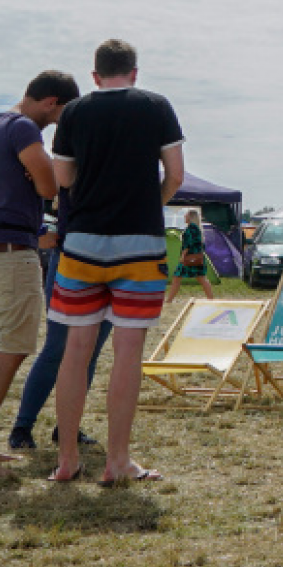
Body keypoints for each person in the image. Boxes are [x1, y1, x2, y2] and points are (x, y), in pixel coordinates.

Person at [49, 40, 184, 486]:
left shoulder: (74, 113)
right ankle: (118, 460)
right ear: (134, 71)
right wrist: (150, 202)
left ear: (94, 76)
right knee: (127, 355)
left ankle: (67, 459)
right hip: (139, 245)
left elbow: (63, 178)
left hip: (83, 243)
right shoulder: (156, 106)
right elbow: (176, 174)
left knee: (75, 351)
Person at [0, 70, 79, 478]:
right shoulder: (25, 128)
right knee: (15, 346)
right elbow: (49, 187)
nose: (56, 123)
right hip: (10, 254)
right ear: (49, 101)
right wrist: (42, 176)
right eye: (58, 116)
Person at [10, 190, 110, 453]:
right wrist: (40, 230)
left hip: (112, 262)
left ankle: (67, 427)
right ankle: (22, 427)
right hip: (70, 257)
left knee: (90, 353)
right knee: (56, 348)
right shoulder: (75, 155)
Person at [166, 209, 217, 305]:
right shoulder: (196, 228)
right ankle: (211, 300)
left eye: (186, 215)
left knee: (178, 277)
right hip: (196, 258)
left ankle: (169, 300)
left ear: (190, 217)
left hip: (189, 258)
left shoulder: (191, 228)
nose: (184, 216)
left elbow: (189, 243)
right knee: (200, 278)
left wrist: (183, 255)